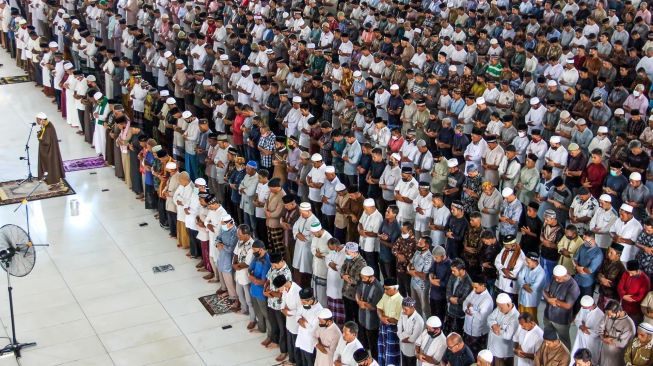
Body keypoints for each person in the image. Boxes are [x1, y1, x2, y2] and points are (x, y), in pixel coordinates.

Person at [543, 265, 580, 350]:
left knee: (564, 341)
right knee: (548, 338)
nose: (556, 280)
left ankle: (565, 360)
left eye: (558, 278)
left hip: (561, 320)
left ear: (565, 275)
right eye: (555, 278)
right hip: (548, 315)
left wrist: (555, 301)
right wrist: (549, 299)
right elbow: (544, 291)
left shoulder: (573, 286)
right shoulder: (554, 277)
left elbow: (568, 305)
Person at [462, 273, 493, 355]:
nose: (474, 289)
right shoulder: (474, 292)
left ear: (483, 286)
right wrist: (466, 308)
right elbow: (466, 301)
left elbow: (481, 317)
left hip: (478, 333)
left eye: (476, 287)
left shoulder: (487, 299)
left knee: (475, 354)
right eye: (473, 287)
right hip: (467, 329)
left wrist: (471, 309)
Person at [376, 277, 403, 366]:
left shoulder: (401, 301)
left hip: (393, 330)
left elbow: (397, 320)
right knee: (382, 351)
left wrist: (385, 318)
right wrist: (381, 317)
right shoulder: (385, 295)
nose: (385, 291)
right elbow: (379, 308)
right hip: (383, 327)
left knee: (391, 354)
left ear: (395, 288)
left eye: (387, 289)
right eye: (385, 289)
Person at [487, 293, 520, 366]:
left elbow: (508, 335)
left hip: (503, 353)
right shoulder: (499, 308)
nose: (499, 309)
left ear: (508, 305)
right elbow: (490, 318)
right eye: (498, 306)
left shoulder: (515, 317)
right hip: (492, 346)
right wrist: (494, 325)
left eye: (501, 307)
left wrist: (498, 330)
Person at [600, 300, 636, 365]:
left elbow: (623, 343)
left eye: (611, 315)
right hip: (604, 351)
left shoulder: (629, 325)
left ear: (619, 312)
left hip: (617, 355)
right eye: (608, 315)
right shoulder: (608, 314)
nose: (609, 317)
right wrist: (602, 336)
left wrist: (611, 340)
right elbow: (601, 327)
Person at [570, 296, 604, 366]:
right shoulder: (583, 309)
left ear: (590, 306)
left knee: (591, 357)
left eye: (584, 307)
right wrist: (581, 326)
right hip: (581, 337)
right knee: (579, 355)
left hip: (592, 341)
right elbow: (577, 319)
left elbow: (599, 332)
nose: (582, 308)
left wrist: (588, 331)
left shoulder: (600, 315)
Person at [35, 112, 66, 187]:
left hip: (50, 151)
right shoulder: (47, 124)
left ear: (41, 119)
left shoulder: (48, 128)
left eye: (37, 120)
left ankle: (52, 180)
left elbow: (46, 142)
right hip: (51, 149)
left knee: (50, 164)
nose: (37, 121)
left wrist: (38, 136)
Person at [295, 287, 323, 366]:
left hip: (310, 341)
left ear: (310, 300)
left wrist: (303, 322)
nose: (302, 304)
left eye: (303, 302)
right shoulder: (304, 304)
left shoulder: (319, 310)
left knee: (310, 362)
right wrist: (301, 320)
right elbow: (297, 315)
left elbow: (313, 328)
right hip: (301, 338)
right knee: (303, 360)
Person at [617, 260, 651, 324]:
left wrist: (630, 298)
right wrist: (623, 296)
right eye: (628, 272)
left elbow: (641, 296)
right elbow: (620, 287)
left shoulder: (645, 280)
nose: (629, 274)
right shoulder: (626, 273)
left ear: (638, 271)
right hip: (624, 306)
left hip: (636, 310)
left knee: (632, 326)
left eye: (632, 273)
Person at [516, 252, 546, 322]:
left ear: (534, 261)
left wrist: (523, 284)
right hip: (522, 300)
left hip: (531, 302)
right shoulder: (527, 267)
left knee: (531, 321)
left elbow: (532, 289)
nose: (526, 263)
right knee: (521, 319)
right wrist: (525, 285)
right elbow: (519, 278)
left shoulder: (541, 273)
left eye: (528, 262)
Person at [397, 297, 424, 366]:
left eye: (406, 309)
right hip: (403, 347)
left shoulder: (419, 320)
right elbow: (399, 326)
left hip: (411, 351)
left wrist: (401, 338)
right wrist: (400, 336)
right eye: (403, 308)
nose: (404, 311)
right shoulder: (403, 313)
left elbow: (413, 338)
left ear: (412, 308)